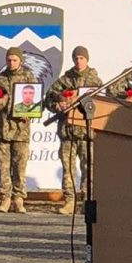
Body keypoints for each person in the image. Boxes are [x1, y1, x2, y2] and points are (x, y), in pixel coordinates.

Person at [0, 47, 37, 213]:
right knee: (3, 167)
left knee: (20, 167)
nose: (11, 63)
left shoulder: (29, 79)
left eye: (14, 60)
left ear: (20, 60)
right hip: (2, 131)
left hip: (21, 132)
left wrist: (30, 114)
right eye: (9, 60)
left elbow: (35, 104)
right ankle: (5, 198)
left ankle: (19, 199)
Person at [51, 46, 102, 217]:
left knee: (90, 168)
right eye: (76, 58)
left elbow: (103, 102)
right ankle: (70, 201)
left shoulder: (95, 80)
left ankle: (88, 201)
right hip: (68, 133)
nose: (79, 61)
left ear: (87, 59)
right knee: (68, 168)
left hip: (88, 133)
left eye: (81, 58)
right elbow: (48, 99)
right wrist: (58, 105)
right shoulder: (64, 80)